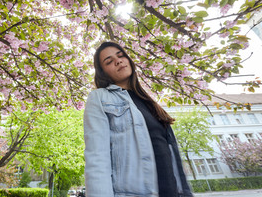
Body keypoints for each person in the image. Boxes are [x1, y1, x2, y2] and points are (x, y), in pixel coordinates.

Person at [83, 42, 193, 197]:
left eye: (121, 55)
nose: (118, 61)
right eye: (109, 61)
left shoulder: (150, 103)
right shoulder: (99, 98)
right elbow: (97, 157)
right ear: (103, 72)